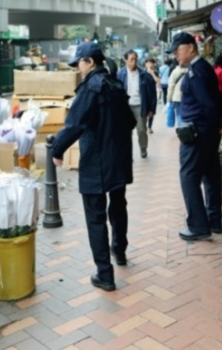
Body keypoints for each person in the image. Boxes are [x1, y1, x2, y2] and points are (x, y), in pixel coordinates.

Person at [51, 42, 137, 292]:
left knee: (96, 216)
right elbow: (131, 122)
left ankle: (104, 273)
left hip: (97, 160)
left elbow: (74, 124)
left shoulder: (91, 88)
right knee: (118, 205)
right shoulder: (116, 85)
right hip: (119, 158)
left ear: (90, 62)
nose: (77, 69)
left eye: (78, 63)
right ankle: (119, 251)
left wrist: (57, 150)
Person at [166, 32, 222, 241]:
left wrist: (214, 125)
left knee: (188, 176)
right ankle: (214, 220)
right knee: (210, 175)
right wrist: (220, 121)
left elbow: (209, 104)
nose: (175, 54)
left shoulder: (197, 72)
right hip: (207, 131)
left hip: (198, 132)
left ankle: (198, 226)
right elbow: (218, 98)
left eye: (178, 49)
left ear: (191, 48)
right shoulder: (202, 68)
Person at [117, 50, 157, 158]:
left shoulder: (144, 74)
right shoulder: (120, 74)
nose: (134, 62)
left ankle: (143, 149)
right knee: (126, 131)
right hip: (126, 106)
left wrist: (152, 109)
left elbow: (152, 93)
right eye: (131, 60)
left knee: (141, 129)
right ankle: (127, 150)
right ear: (126, 60)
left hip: (140, 105)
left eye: (135, 59)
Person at [166, 61, 186, 128]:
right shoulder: (190, 70)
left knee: (179, 114)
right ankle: (186, 128)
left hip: (177, 97)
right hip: (187, 97)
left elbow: (171, 86)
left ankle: (182, 130)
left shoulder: (175, 71)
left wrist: (169, 98)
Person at [144, 57, 161, 134]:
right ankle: (144, 125)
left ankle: (150, 127)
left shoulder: (155, 72)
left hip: (153, 94)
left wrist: (152, 73)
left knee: (152, 111)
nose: (150, 64)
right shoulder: (143, 72)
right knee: (144, 110)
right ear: (145, 64)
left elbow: (158, 81)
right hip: (144, 94)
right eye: (148, 63)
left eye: (151, 63)